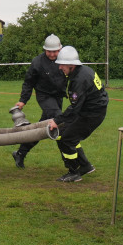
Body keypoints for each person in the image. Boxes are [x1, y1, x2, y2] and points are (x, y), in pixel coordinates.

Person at [47, 45, 109, 182]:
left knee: (66, 139)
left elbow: (74, 108)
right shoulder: (84, 71)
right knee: (63, 134)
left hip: (91, 115)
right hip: (90, 111)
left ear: (71, 64)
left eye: (62, 64)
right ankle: (85, 166)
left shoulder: (79, 80)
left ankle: (74, 172)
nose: (59, 68)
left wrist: (57, 120)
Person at [11, 34, 68, 168]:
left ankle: (20, 153)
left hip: (58, 97)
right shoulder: (37, 62)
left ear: (60, 49)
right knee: (60, 123)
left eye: (55, 51)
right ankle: (69, 160)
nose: (53, 54)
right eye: (49, 51)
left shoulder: (65, 59)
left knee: (43, 129)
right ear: (45, 50)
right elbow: (28, 82)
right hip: (44, 97)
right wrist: (22, 100)